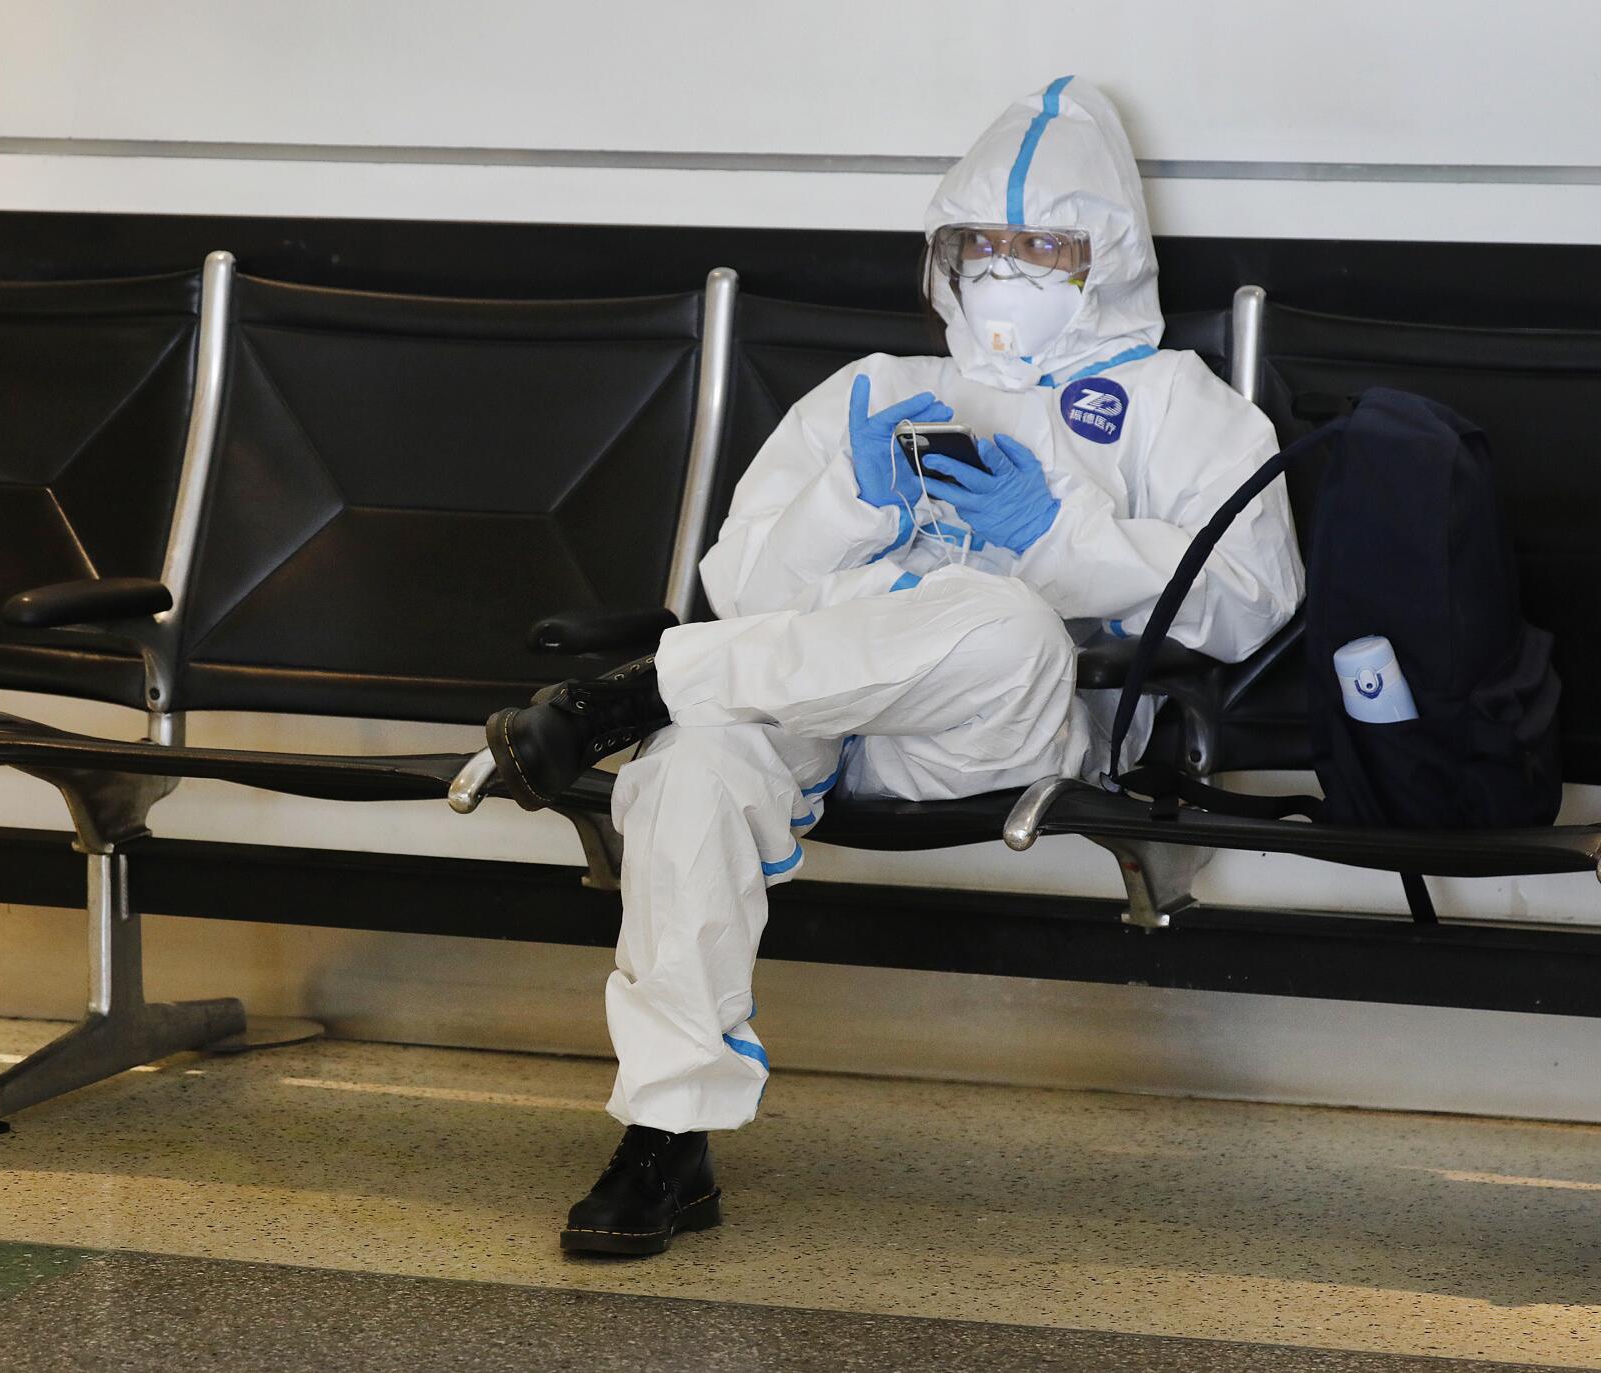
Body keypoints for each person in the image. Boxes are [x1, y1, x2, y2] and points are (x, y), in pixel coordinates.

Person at [485, 76, 1304, 1257]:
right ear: (942, 253)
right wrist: (848, 507)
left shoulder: (1181, 408)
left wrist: (1059, 543)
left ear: (1107, 255)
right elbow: (741, 587)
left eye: (1044, 245)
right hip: (806, 699)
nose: (1005, 267)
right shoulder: (873, 391)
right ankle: (666, 1133)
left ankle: (637, 689)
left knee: (1002, 619)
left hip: (1005, 723)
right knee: (691, 764)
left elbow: (1254, 608)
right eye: (982, 242)